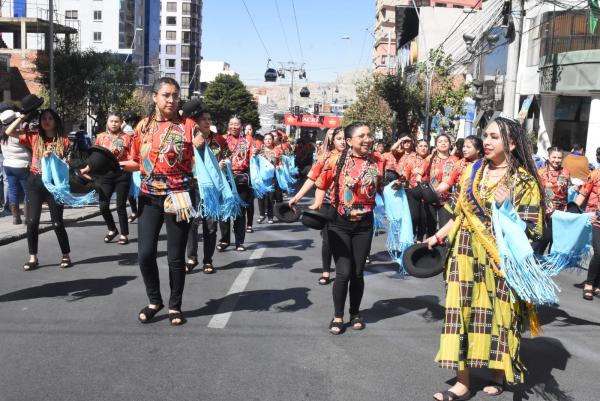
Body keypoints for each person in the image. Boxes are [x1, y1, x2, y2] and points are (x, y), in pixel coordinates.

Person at [425, 117, 544, 400]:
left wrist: (506, 209)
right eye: (485, 135)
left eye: (494, 137)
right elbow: (460, 213)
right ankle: (462, 383)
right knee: (460, 314)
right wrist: (437, 236)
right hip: (463, 253)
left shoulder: (524, 181)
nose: (487, 142)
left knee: (496, 316)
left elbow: (533, 229)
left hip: (498, 260)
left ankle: (497, 375)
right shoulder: (471, 171)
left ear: (512, 144)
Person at [121, 77, 202, 326]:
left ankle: (175, 306)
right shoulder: (142, 127)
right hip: (148, 197)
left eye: (175, 95)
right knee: (145, 254)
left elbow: (202, 157)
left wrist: (202, 145)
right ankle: (155, 301)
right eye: (166, 95)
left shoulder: (189, 126)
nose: (171, 99)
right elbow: (135, 160)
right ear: (154, 97)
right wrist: (113, 166)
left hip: (178, 197)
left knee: (175, 257)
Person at [312, 122, 384, 335]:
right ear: (350, 141)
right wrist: (315, 206)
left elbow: (379, 187)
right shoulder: (334, 159)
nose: (367, 139)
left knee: (358, 273)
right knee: (343, 273)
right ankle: (338, 316)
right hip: (339, 223)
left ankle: (355, 313)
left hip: (365, 224)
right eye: (361, 136)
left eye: (369, 135)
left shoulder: (378, 161)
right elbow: (321, 184)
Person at [5, 109, 73, 270]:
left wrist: (53, 158)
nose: (46, 121)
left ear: (56, 121)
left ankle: (65, 255)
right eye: (43, 118)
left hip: (54, 183)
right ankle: (33, 258)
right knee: (32, 222)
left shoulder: (64, 141)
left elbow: (66, 165)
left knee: (57, 223)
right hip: (35, 181)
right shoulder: (34, 136)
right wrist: (21, 117)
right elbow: (8, 131)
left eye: (50, 118)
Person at [290, 128, 346, 285]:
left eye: (344, 138)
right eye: (338, 138)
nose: (342, 141)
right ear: (332, 141)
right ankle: (326, 271)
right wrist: (297, 197)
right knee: (328, 240)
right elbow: (312, 178)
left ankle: (345, 271)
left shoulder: (356, 158)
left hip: (349, 208)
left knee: (345, 241)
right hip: (328, 204)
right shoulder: (325, 157)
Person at [185, 109, 227, 274]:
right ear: (196, 122)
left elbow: (227, 156)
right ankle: (191, 258)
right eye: (203, 119)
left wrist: (224, 164)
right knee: (192, 223)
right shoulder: (188, 140)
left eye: (209, 119)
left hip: (212, 188)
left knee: (210, 226)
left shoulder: (218, 140)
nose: (207, 122)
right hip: (193, 186)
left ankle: (208, 261)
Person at [81, 113, 133, 245]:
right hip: (105, 175)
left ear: (121, 123)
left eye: (117, 121)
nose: (114, 123)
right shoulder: (100, 137)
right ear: (107, 122)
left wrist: (124, 165)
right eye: (111, 121)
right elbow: (95, 158)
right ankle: (112, 229)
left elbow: (133, 158)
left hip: (122, 174)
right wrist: (88, 168)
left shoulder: (128, 138)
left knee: (120, 206)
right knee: (103, 206)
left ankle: (124, 234)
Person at [217, 116, 254, 252]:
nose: (234, 126)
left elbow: (252, 161)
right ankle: (225, 240)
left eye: (236, 124)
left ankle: (239, 242)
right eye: (231, 124)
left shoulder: (247, 141)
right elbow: (215, 157)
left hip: (241, 180)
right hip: (225, 179)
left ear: (241, 126)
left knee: (239, 212)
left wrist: (254, 155)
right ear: (228, 125)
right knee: (225, 211)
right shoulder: (221, 139)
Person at [533, 147, 571, 255]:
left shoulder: (566, 172)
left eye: (559, 157)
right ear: (548, 157)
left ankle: (550, 268)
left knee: (555, 244)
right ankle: (536, 265)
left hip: (560, 213)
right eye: (554, 157)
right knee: (542, 241)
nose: (556, 160)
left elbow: (562, 190)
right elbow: (538, 191)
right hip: (544, 213)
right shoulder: (540, 172)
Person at [575, 165, 600, 300]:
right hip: (596, 219)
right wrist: (573, 211)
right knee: (599, 251)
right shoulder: (595, 174)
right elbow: (583, 193)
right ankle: (589, 284)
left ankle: (597, 284)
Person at [400, 139, 431, 240]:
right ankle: (410, 238)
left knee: (424, 220)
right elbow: (405, 174)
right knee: (413, 217)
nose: (423, 148)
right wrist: (401, 179)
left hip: (427, 194)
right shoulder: (410, 160)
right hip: (413, 192)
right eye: (421, 146)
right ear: (416, 148)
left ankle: (419, 240)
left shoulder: (432, 160)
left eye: (425, 146)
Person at [424, 134, 456, 234]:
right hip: (430, 199)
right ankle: (430, 250)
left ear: (450, 144)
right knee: (430, 230)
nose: (443, 143)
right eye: (440, 141)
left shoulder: (456, 160)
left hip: (447, 200)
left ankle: (443, 250)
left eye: (445, 141)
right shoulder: (429, 159)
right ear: (436, 145)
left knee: (445, 230)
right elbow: (420, 174)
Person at [1, 118, 30, 224]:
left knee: (13, 191)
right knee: (28, 191)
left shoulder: (2, 134)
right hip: (22, 166)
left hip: (7, 166)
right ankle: (27, 217)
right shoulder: (17, 135)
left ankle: (15, 218)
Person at [256, 132, 282, 224]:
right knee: (261, 196)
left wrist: (279, 166)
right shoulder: (259, 151)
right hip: (261, 177)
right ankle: (262, 214)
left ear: (273, 140)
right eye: (266, 139)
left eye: (270, 139)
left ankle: (270, 216)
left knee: (271, 197)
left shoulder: (277, 151)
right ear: (264, 140)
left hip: (272, 177)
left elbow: (280, 162)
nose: (268, 140)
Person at [244, 123, 259, 233]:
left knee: (250, 200)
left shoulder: (256, 142)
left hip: (252, 173)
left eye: (250, 129)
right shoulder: (240, 141)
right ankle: (239, 224)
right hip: (241, 172)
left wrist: (255, 154)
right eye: (246, 129)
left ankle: (249, 224)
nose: (248, 131)